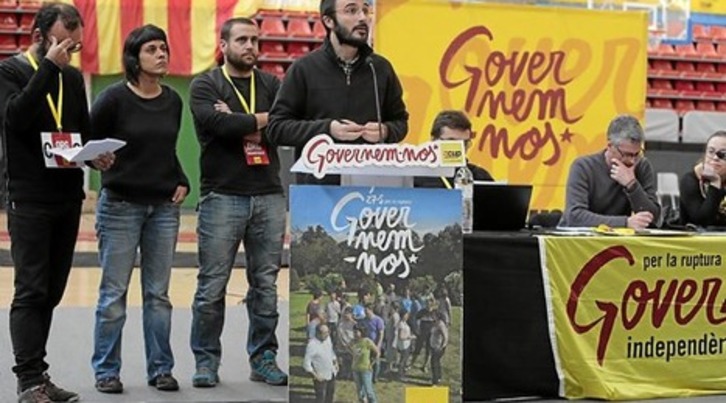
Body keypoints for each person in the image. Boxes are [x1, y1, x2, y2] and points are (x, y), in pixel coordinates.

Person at [0, 3, 114, 402]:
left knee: (51, 291)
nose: (70, 53)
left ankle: (40, 375)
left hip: (67, 196)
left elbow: (79, 133)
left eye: (75, 46)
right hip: (29, 197)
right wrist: (48, 66)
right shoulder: (10, 71)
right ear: (39, 37)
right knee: (31, 290)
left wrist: (95, 156)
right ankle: (28, 380)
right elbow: (15, 119)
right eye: (64, 44)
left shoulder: (71, 77)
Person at [188, 16, 287, 387]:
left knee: (266, 286)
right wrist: (260, 120)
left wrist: (243, 121)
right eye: (242, 40)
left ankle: (263, 358)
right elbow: (219, 126)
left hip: (269, 195)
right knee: (211, 286)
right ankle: (206, 362)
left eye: (255, 40)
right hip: (222, 196)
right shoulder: (205, 84)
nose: (250, 46)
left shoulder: (272, 84)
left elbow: (285, 127)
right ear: (224, 45)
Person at [90, 24, 189, 394]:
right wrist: (95, 161)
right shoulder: (112, 99)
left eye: (164, 48)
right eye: (152, 49)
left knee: (158, 296)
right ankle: (106, 371)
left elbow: (165, 149)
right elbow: (88, 146)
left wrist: (182, 179)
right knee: (113, 296)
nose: (161, 54)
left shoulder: (173, 100)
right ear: (134, 57)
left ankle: (161, 369)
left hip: (163, 208)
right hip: (120, 206)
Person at [266, 0, 409, 185]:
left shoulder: (380, 68)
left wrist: (386, 131)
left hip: (371, 188)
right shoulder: (304, 68)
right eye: (351, 10)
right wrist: (327, 129)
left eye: (366, 11)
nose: (362, 18)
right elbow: (277, 128)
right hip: (319, 188)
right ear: (329, 21)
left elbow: (400, 122)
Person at [560, 115, 660, 230]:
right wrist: (625, 222)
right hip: (579, 238)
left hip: (619, 238)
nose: (632, 161)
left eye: (637, 154)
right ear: (610, 146)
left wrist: (632, 185)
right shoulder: (583, 167)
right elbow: (575, 217)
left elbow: (654, 219)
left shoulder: (642, 166)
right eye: (626, 154)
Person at [415, 110, 494, 188]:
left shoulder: (480, 177)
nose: (458, 149)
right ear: (433, 140)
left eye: (464, 143)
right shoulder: (416, 176)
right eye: (451, 142)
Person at [679, 131, 726, 227]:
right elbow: (702, 221)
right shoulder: (691, 180)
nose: (715, 158)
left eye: (722, 154)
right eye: (711, 152)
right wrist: (715, 183)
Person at [303, 324, 338, 403]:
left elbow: (331, 351)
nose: (327, 334)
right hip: (320, 376)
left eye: (328, 332)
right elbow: (306, 363)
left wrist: (335, 361)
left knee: (330, 395)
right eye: (324, 333)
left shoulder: (328, 339)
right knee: (321, 398)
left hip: (331, 372)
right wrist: (315, 375)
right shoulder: (312, 345)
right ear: (318, 333)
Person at [351, 324, 378, 403]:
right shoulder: (353, 341)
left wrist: (372, 364)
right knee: (360, 391)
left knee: (369, 391)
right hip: (355, 369)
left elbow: (377, 352)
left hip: (366, 369)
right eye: (354, 332)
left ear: (361, 332)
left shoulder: (367, 341)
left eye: (356, 332)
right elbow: (348, 348)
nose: (354, 334)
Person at [429, 311, 449, 386]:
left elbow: (445, 337)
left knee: (434, 363)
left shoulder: (440, 324)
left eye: (433, 315)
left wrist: (442, 346)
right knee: (436, 362)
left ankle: (435, 381)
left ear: (437, 316)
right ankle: (439, 376)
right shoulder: (435, 323)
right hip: (433, 346)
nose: (432, 316)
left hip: (438, 347)